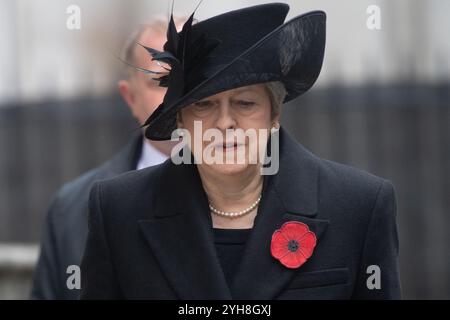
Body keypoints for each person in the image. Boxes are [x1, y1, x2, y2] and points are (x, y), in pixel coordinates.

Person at [81, 3, 401, 299]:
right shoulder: (118, 211)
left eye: (245, 103)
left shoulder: (359, 206)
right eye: (203, 105)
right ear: (181, 120)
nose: (225, 123)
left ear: (274, 114)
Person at [30, 18, 182, 299]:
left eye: (197, 78)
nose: (180, 95)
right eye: (161, 81)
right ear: (130, 97)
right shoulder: (71, 208)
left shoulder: (266, 194)